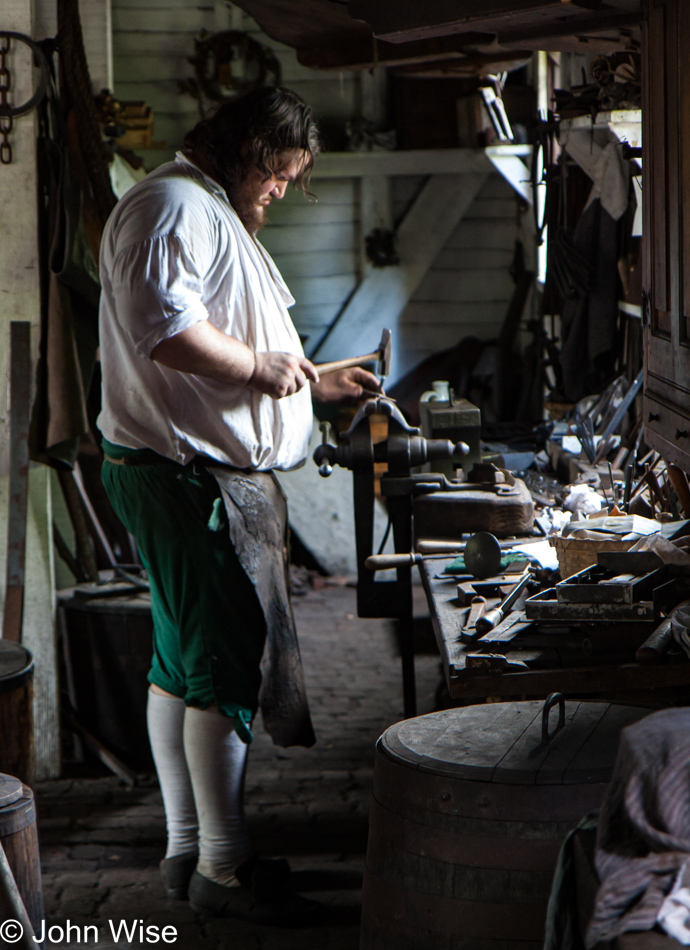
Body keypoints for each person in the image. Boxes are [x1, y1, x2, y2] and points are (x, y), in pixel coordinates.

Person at [96, 86, 379, 923]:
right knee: (220, 664)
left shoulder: (200, 205)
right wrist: (261, 371)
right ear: (252, 150)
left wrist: (312, 382)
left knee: (182, 659)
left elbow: (225, 326)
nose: (283, 191)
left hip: (179, 467)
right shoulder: (175, 206)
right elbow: (168, 331)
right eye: (282, 174)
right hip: (189, 477)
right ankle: (223, 868)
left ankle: (190, 848)